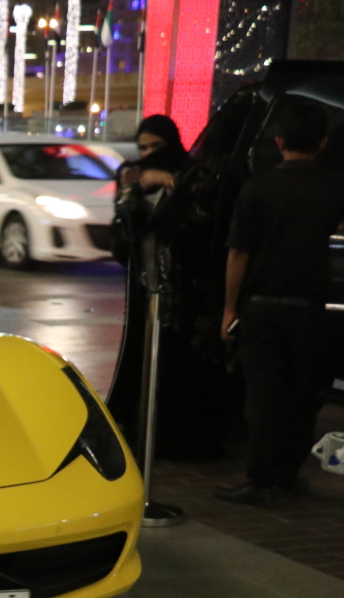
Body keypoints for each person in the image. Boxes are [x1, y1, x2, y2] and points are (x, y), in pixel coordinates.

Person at [215, 100, 344, 508]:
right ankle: (288, 475)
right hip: (311, 309)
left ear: (279, 141)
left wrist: (229, 307)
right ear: (322, 143)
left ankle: (261, 479)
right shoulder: (334, 188)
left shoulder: (258, 188)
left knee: (264, 396)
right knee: (304, 395)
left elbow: (238, 254)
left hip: (262, 308)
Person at [105, 114, 228, 462]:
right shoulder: (132, 176)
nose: (148, 155)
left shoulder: (195, 176)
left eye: (155, 147)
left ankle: (185, 442)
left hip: (187, 292)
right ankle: (145, 439)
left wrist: (171, 183)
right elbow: (122, 237)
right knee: (145, 364)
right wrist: (130, 191)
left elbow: (201, 225)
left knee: (185, 368)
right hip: (147, 289)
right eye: (142, 147)